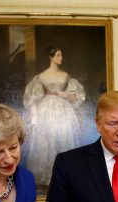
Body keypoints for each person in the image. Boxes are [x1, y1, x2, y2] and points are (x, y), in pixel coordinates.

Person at [22, 46, 86, 188]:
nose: (60, 58)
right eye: (57, 55)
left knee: (64, 137)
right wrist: (35, 116)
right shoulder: (40, 77)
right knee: (46, 139)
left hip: (63, 109)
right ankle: (46, 174)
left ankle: (65, 175)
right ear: (51, 57)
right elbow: (32, 98)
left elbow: (77, 95)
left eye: (61, 55)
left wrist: (64, 95)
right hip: (46, 110)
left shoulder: (66, 76)